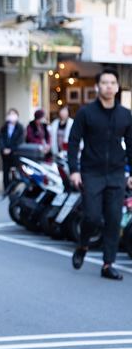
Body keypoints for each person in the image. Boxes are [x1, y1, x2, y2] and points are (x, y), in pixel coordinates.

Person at [69, 69, 132, 281]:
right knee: (92, 217)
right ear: (97, 87)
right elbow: (74, 141)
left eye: (112, 83)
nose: (108, 86)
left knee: (114, 219)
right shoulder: (86, 113)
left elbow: (131, 144)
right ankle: (83, 245)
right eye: (104, 83)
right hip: (92, 173)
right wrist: (74, 170)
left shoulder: (125, 115)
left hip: (116, 174)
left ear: (117, 87)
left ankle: (108, 264)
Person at [0, 108, 25, 190]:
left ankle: (13, 187)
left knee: (14, 171)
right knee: (5, 171)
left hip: (15, 153)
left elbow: (20, 140)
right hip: (5, 153)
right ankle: (6, 188)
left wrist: (11, 149)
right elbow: (0, 138)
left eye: (14, 114)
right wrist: (3, 148)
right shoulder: (4, 127)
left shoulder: (20, 127)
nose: (12, 116)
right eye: (10, 114)